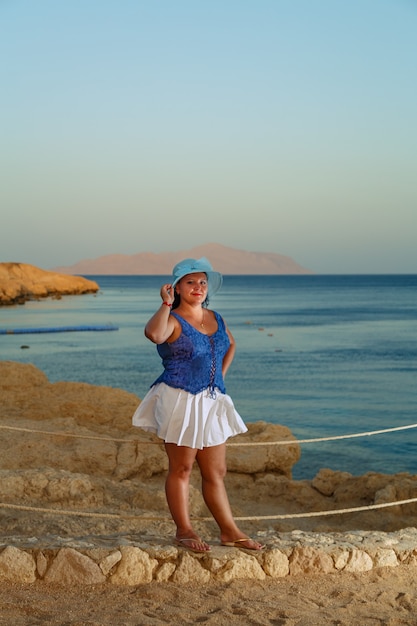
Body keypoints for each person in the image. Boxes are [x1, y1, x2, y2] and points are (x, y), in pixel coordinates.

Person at [132, 257, 264, 553]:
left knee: (216, 471)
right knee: (182, 468)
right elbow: (154, 335)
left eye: (203, 282)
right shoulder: (172, 318)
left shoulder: (215, 316)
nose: (198, 287)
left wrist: (219, 378)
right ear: (176, 287)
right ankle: (184, 530)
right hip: (179, 399)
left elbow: (230, 344)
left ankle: (229, 531)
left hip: (212, 400)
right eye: (190, 282)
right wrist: (165, 304)